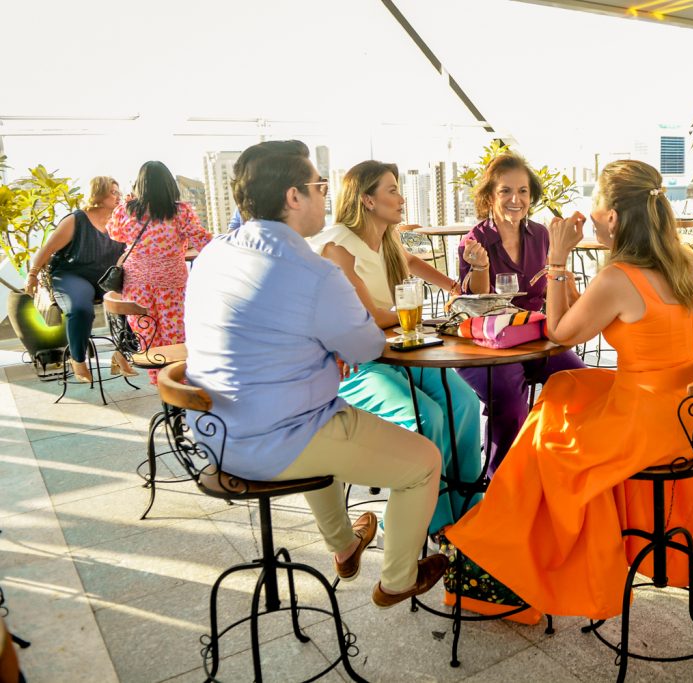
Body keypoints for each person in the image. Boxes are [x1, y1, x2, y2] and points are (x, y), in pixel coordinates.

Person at [447, 160, 693, 619]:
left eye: (595, 206)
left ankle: (510, 545)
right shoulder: (681, 262)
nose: (589, 216)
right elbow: (593, 323)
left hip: (649, 426)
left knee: (543, 442)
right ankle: (504, 521)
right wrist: (569, 286)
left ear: (612, 218)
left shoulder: (618, 276)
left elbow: (561, 332)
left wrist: (556, 260)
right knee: (565, 386)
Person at [185, 140, 446, 607]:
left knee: (324, 417)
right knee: (422, 461)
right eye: (319, 186)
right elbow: (365, 347)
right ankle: (399, 579)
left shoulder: (212, 254)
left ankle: (345, 545)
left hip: (214, 434)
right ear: (293, 197)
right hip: (278, 440)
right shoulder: (313, 272)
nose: (326, 196)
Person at [308, 160, 481, 535]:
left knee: (464, 403)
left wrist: (454, 288)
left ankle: (466, 507)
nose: (401, 198)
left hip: (396, 353)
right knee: (426, 418)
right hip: (354, 365)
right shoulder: (337, 245)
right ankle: (418, 519)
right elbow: (367, 317)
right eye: (391, 190)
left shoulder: (387, 240)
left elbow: (413, 262)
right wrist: (416, 315)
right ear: (367, 200)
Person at [456, 153, 586, 474]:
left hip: (531, 334)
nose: (516, 199)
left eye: (523, 191)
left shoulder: (541, 235)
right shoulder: (474, 241)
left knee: (581, 382)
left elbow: (550, 284)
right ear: (490, 196)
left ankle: (558, 465)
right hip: (486, 344)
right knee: (511, 405)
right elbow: (477, 303)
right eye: (505, 191)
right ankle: (500, 483)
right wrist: (481, 266)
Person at [107, 161, 212, 383]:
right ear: (168, 184)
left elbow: (115, 235)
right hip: (172, 284)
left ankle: (161, 386)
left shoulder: (125, 211)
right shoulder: (180, 211)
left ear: (140, 185)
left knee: (148, 338)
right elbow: (203, 241)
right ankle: (179, 383)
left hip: (136, 285)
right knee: (176, 337)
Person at [25, 176, 129, 382]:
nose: (119, 197)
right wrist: (32, 275)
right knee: (81, 309)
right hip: (72, 275)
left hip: (105, 277)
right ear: (99, 194)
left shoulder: (122, 222)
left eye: (119, 192)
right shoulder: (76, 220)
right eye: (113, 192)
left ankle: (121, 354)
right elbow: (47, 250)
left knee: (128, 303)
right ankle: (78, 360)